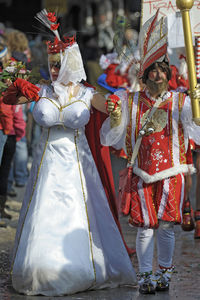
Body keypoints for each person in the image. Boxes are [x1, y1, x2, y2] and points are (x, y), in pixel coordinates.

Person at [3, 10, 136, 296]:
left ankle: (79, 266)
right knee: (43, 214)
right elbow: (6, 93)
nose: (53, 70)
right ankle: (39, 266)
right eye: (51, 65)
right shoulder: (41, 91)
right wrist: (14, 85)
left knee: (77, 212)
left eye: (58, 64)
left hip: (78, 167)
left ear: (70, 63)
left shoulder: (87, 94)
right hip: (46, 166)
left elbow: (114, 108)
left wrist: (115, 109)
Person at [100, 10, 200, 294]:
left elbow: (196, 131)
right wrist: (116, 115)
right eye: (152, 70)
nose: (157, 75)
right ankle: (145, 275)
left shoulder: (181, 101)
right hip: (142, 173)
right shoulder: (128, 101)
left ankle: (164, 273)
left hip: (173, 172)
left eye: (161, 70)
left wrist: (197, 107)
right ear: (144, 75)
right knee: (145, 227)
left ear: (169, 74)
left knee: (167, 226)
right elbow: (112, 135)